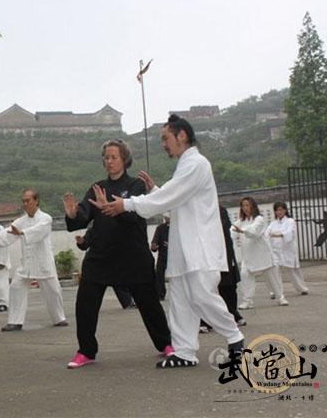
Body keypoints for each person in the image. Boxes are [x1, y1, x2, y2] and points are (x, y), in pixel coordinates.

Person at [89, 115, 244, 368]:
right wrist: (154, 191)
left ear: (181, 135)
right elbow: (174, 202)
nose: (164, 144)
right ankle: (184, 351)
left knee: (202, 296)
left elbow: (171, 196)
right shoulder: (185, 164)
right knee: (181, 299)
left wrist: (127, 204)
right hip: (184, 247)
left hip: (199, 246)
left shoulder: (196, 164)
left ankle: (235, 338)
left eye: (166, 138)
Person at [63, 139, 172, 369]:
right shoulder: (97, 186)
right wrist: (74, 214)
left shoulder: (136, 185)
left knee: (149, 303)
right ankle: (86, 351)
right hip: (101, 255)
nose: (109, 161)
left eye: (113, 157)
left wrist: (112, 207)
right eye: (106, 157)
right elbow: (84, 214)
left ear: (124, 159)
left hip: (132, 254)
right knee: (85, 304)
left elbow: (135, 215)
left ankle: (166, 345)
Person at [0, 188, 67, 331]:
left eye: (28, 201)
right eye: (23, 201)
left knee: (53, 291)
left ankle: (59, 318)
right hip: (27, 262)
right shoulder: (21, 221)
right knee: (16, 287)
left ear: (36, 201)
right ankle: (15, 321)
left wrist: (23, 233)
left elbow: (39, 231)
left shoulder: (46, 218)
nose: (25, 204)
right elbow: (8, 234)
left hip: (43, 261)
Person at [231, 196, 288, 309]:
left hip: (262, 253)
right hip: (248, 255)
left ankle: (280, 296)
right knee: (245, 275)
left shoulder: (259, 219)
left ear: (253, 206)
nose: (245, 208)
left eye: (247, 205)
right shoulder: (240, 222)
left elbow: (254, 231)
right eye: (243, 206)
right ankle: (247, 300)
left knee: (272, 276)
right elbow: (231, 232)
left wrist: (242, 231)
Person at [75, 227, 136, 309]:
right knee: (92, 286)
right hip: (96, 262)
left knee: (119, 282)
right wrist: (81, 242)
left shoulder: (118, 227)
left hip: (113, 259)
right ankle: (90, 305)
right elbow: (85, 245)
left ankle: (128, 302)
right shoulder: (93, 229)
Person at [266, 202, 309, 295]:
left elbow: (290, 232)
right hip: (276, 251)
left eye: (281, 209)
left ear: (285, 210)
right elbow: (267, 233)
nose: (279, 212)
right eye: (277, 210)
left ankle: (302, 288)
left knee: (292, 270)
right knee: (275, 270)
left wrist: (280, 234)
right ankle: (275, 291)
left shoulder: (290, 221)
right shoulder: (273, 224)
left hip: (288, 249)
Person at [150, 215, 169, 300]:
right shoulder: (160, 228)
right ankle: (160, 293)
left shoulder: (179, 227)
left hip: (175, 255)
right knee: (159, 274)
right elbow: (155, 242)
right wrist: (154, 246)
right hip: (163, 255)